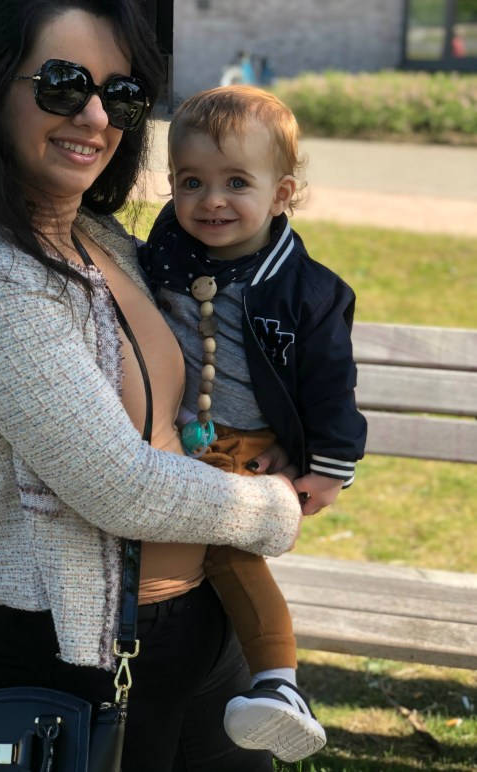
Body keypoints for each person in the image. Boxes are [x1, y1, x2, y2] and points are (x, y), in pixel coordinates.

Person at [0, 0, 303, 772]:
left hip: (203, 623)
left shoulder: (99, 239)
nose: (97, 116)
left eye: (123, 93)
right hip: (76, 659)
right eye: (64, 84)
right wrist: (274, 505)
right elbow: (120, 485)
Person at [139, 84, 368, 762]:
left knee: (229, 555)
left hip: (245, 451)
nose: (210, 200)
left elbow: (331, 385)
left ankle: (278, 683)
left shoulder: (305, 291)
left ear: (281, 193)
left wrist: (325, 467)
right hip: (180, 438)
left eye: (236, 182)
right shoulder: (166, 249)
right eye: (190, 182)